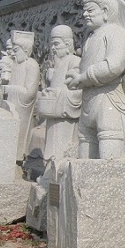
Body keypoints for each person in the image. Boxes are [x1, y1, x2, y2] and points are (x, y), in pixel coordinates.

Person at [66, 0, 125, 159]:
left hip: (109, 100)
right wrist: (76, 73)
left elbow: (114, 66)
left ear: (105, 11)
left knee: (109, 155)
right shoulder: (90, 38)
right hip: (88, 100)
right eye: (85, 11)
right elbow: (88, 63)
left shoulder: (118, 33)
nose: (85, 15)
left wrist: (83, 77)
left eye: (90, 11)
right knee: (84, 154)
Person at [37, 25, 82, 161]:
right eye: (52, 44)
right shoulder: (56, 64)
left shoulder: (75, 61)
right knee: (52, 145)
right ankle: (50, 172)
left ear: (67, 44)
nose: (53, 48)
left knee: (62, 147)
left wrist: (55, 92)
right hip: (54, 111)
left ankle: (58, 171)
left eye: (56, 44)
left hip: (65, 113)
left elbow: (77, 89)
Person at [4, 30, 40, 161]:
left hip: (22, 106)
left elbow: (29, 92)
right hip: (12, 104)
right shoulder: (15, 65)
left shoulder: (32, 64)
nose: (13, 53)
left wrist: (10, 89)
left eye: (16, 50)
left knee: (20, 135)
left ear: (25, 50)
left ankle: (19, 160)